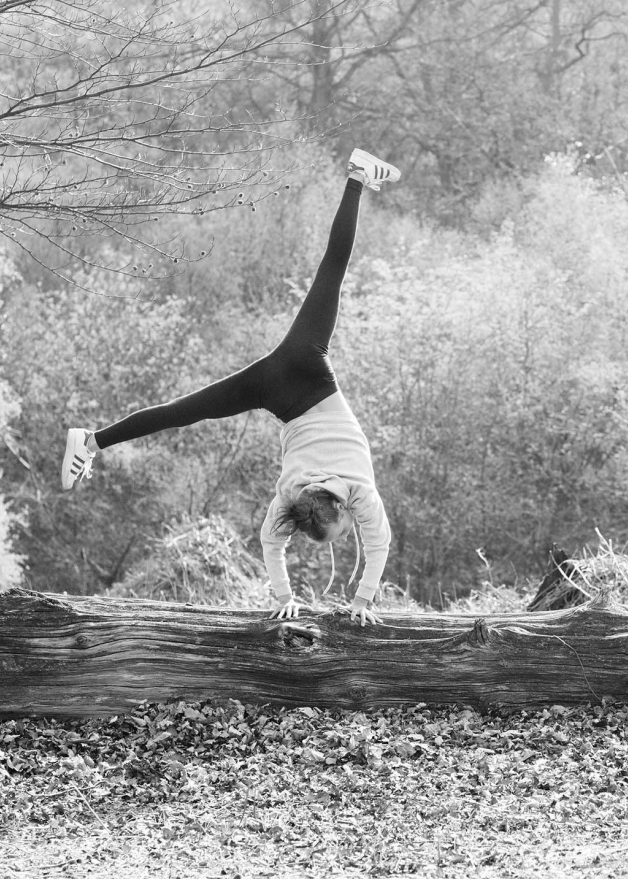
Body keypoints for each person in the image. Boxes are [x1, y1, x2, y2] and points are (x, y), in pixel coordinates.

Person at [58, 149, 401, 624]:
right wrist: (358, 604)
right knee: (185, 410)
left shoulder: (332, 497)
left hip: (298, 371)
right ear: (339, 506)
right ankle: (91, 440)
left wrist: (290, 600)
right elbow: (370, 544)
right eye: (346, 532)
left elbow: (348, 545)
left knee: (331, 272)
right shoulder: (313, 496)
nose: (353, 534)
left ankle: (92, 440)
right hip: (289, 384)